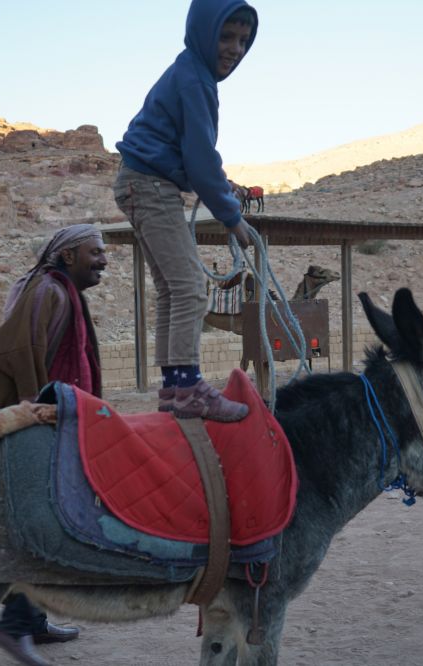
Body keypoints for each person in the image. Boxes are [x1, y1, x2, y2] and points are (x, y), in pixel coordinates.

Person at [0, 224, 106, 666]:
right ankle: (15, 624)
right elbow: (22, 354)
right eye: (95, 252)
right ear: (67, 256)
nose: (104, 260)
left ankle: (34, 621)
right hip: (40, 431)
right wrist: (37, 419)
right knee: (44, 526)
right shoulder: (49, 292)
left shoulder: (60, 291)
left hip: (54, 427)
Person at [112, 0, 257, 422]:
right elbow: (199, 157)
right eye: (226, 37)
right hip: (150, 185)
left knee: (172, 291)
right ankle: (190, 388)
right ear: (204, 33)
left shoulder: (188, 72)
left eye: (244, 40)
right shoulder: (196, 81)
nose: (235, 49)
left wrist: (217, 182)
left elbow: (191, 153)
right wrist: (232, 217)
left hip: (140, 181)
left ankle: (174, 388)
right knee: (192, 287)